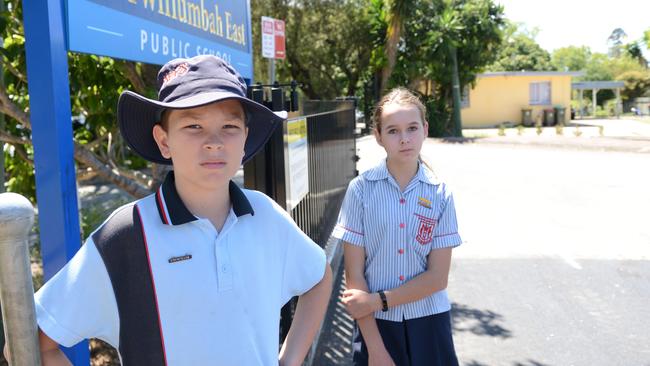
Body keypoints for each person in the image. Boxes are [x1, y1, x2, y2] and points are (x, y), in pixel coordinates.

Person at [9, 55, 332, 365]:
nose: (214, 142)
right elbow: (30, 343)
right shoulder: (126, 234)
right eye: (193, 126)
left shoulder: (265, 215)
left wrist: (289, 360)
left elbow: (319, 277)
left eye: (230, 127)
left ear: (245, 138)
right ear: (164, 141)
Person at [332, 88, 462, 366]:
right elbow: (354, 277)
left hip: (430, 324)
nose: (404, 139)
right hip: (376, 328)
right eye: (393, 131)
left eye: (412, 128)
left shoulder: (440, 194)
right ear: (378, 136)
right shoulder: (361, 191)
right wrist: (376, 350)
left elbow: (438, 278)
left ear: (425, 130)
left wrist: (378, 300)